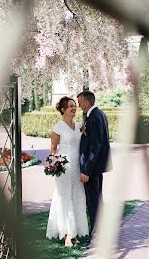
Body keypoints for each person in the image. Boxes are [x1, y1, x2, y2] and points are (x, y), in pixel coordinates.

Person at [46, 97, 89, 247]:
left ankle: (75, 232)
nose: (74, 108)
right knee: (65, 198)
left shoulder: (79, 126)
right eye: (71, 106)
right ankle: (67, 234)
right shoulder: (57, 128)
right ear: (63, 109)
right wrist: (54, 165)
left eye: (75, 106)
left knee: (77, 197)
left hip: (78, 167)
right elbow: (52, 150)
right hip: (64, 168)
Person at [77, 90, 110, 239]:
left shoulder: (94, 118)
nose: (78, 105)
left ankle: (96, 231)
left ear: (85, 102)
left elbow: (94, 146)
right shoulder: (99, 114)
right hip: (98, 167)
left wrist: (86, 171)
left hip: (93, 168)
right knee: (97, 197)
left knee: (92, 199)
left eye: (79, 102)